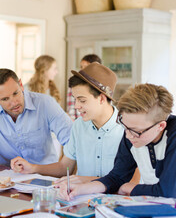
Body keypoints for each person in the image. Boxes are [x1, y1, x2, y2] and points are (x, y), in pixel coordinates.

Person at [58, 83, 176, 212]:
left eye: (136, 131)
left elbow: (168, 192)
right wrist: (81, 189)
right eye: (125, 127)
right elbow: (116, 177)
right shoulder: (132, 133)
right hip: (157, 210)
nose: (128, 136)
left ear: (160, 126)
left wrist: (128, 188)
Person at [11, 62, 139, 184]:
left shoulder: (129, 129)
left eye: (82, 100)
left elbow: (132, 182)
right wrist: (33, 168)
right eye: (75, 99)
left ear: (101, 98)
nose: (77, 106)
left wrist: (87, 180)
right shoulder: (78, 126)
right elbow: (64, 167)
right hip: (81, 201)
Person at [0, 68, 73, 174]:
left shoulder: (45, 103)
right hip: (8, 178)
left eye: (15, 93)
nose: (14, 103)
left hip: (45, 176)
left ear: (21, 86)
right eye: (5, 99)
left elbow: (72, 140)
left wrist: (63, 168)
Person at [66, 54, 102, 120]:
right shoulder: (74, 85)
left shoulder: (102, 87)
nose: (82, 70)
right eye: (81, 67)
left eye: (86, 67)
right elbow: (71, 108)